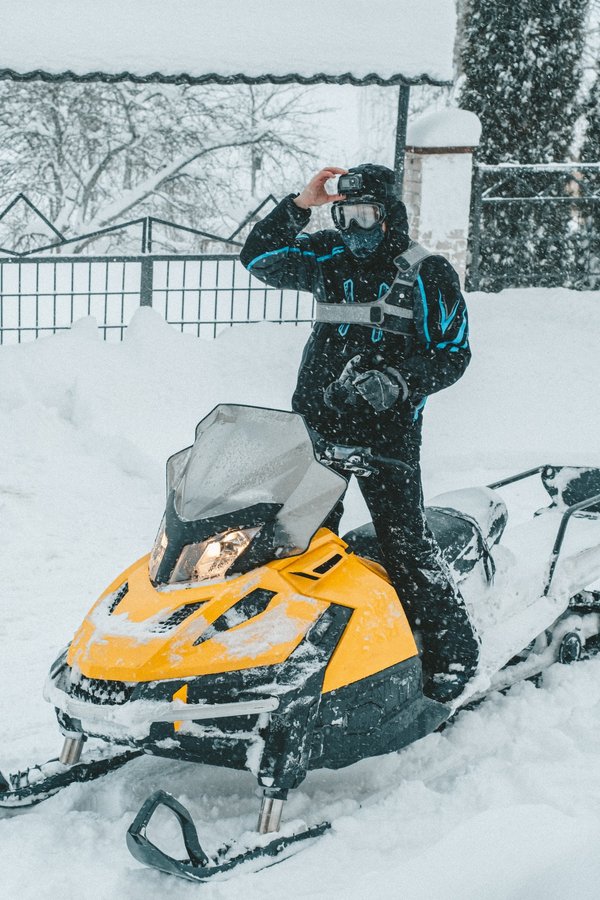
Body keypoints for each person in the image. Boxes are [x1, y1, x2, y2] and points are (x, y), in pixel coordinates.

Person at [240, 163, 480, 703]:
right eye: (343, 214)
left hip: (387, 435)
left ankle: (453, 654)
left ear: (389, 216)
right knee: (299, 541)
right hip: (317, 425)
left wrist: (398, 380)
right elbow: (255, 258)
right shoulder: (324, 255)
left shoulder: (428, 273)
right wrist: (300, 206)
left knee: (402, 540)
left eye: (364, 214)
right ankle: (292, 650)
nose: (353, 226)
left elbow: (454, 353)